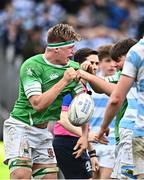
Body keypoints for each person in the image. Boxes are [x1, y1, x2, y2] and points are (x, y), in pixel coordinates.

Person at [3, 23, 89, 179]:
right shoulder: (32, 66)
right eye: (70, 48)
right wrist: (64, 81)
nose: (73, 53)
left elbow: (83, 103)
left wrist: (84, 134)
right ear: (57, 49)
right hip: (21, 126)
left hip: (43, 132)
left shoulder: (72, 68)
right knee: (21, 176)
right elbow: (38, 104)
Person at [98, 36, 144, 179]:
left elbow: (115, 98)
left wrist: (103, 127)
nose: (115, 65)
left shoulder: (136, 53)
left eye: (117, 60)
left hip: (137, 130)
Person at [53, 48, 100, 179]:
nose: (95, 67)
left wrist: (92, 153)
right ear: (80, 65)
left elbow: (84, 126)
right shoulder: (72, 87)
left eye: (97, 63)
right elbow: (61, 117)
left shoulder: (84, 89)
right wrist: (85, 136)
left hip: (76, 141)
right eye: (92, 63)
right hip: (66, 142)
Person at [89, 44, 117, 179]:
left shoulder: (121, 84)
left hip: (110, 142)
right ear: (99, 63)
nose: (112, 65)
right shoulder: (90, 84)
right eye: (107, 61)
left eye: (114, 61)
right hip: (91, 141)